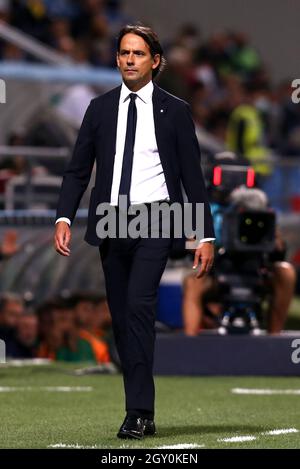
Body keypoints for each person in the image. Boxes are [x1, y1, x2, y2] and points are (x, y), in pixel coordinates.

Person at [54, 24, 215, 440]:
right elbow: (77, 169)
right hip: (111, 218)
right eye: (124, 52)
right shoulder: (99, 108)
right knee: (123, 318)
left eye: (138, 53)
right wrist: (64, 217)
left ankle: (139, 411)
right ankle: (138, 406)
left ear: (155, 61)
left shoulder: (175, 110)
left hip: (157, 218)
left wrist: (204, 234)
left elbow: (192, 178)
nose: (129, 59)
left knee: (140, 308)